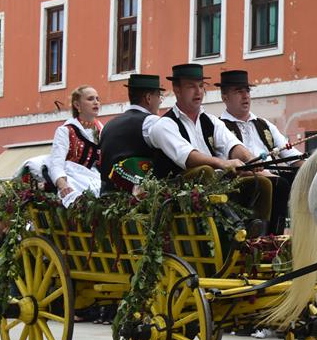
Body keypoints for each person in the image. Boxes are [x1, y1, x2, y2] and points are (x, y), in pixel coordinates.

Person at [148, 63, 273, 226]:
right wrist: (224, 164)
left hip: (214, 184)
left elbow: (232, 145)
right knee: (204, 172)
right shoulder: (163, 125)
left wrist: (251, 160)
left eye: (201, 86)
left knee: (264, 182)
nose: (198, 91)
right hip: (176, 192)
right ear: (177, 89)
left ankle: (263, 234)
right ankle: (233, 226)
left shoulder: (211, 121)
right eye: (191, 87)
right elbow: (187, 156)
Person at [216, 70, 303, 234]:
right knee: (280, 184)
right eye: (239, 91)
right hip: (240, 184)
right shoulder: (219, 127)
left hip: (271, 178)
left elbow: (291, 155)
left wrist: (312, 166)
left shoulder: (265, 125)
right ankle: (273, 237)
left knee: (300, 175)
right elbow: (226, 169)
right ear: (224, 97)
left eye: (247, 90)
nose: (245, 96)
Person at [99, 74, 164, 194]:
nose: (160, 101)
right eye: (159, 96)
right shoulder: (151, 121)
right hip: (137, 202)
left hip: (106, 199)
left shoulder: (107, 126)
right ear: (149, 98)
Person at [47, 85, 103, 207]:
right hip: (73, 177)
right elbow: (56, 163)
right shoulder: (66, 131)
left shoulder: (102, 131)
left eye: (97, 99)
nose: (96, 102)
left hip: (95, 178)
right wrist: (62, 184)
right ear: (77, 105)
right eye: (90, 99)